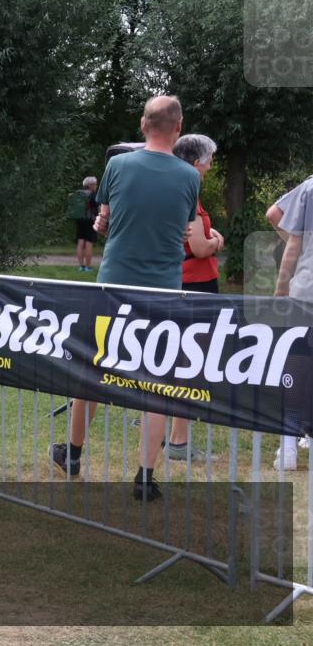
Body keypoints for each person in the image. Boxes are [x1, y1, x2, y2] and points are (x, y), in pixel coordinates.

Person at [49, 95, 199, 501]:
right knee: (156, 383)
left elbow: (105, 221)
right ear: (178, 127)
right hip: (163, 291)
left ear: (141, 124)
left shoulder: (117, 165)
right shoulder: (190, 177)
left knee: (92, 370)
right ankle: (145, 478)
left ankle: (74, 454)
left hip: (113, 285)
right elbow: (186, 233)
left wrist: (104, 223)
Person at [167, 134, 224, 462]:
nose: (211, 165)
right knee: (190, 363)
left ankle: (172, 437)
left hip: (185, 283)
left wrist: (209, 238)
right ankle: (179, 442)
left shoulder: (178, 189)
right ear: (195, 161)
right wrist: (217, 241)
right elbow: (200, 247)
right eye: (209, 159)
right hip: (195, 285)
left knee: (176, 361)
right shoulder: (187, 191)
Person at [268, 176, 313, 470]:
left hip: (307, 291)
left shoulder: (310, 187)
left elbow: (293, 240)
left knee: (296, 367)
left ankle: (288, 445)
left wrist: (281, 290)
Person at [68, 177, 98, 272]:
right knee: (89, 243)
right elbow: (97, 207)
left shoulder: (78, 193)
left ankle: (81, 266)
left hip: (79, 220)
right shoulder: (93, 194)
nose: (96, 186)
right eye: (95, 184)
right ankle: (88, 267)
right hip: (90, 221)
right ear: (90, 185)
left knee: (80, 243)